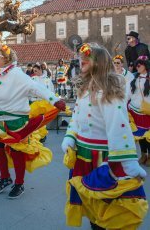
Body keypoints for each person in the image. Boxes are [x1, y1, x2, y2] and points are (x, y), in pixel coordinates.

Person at [61, 43, 147, 230]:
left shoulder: (108, 92)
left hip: (103, 158)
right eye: (81, 57)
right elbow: (76, 118)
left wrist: (128, 163)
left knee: (106, 206)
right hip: (84, 156)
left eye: (87, 57)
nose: (81, 60)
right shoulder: (84, 89)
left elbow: (119, 128)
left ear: (99, 62)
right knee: (91, 205)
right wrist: (70, 137)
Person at [0, 45, 66, 199]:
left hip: (16, 120)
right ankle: (5, 177)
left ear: (7, 59)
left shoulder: (16, 74)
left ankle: (19, 183)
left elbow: (35, 87)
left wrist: (54, 100)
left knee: (17, 151)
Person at [128, 55, 150, 167]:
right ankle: (143, 154)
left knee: (148, 135)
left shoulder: (149, 78)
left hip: (147, 111)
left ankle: (149, 156)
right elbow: (131, 93)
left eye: (139, 64)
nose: (137, 66)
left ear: (145, 65)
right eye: (137, 64)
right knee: (140, 135)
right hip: (135, 109)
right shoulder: (135, 77)